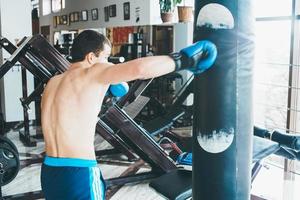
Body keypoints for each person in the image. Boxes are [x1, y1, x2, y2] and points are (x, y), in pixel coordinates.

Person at [40, 30, 217, 200]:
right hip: (78, 172)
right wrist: (184, 59)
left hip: (50, 171)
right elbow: (140, 68)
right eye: (106, 57)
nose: (108, 62)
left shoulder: (53, 83)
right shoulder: (93, 71)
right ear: (91, 57)